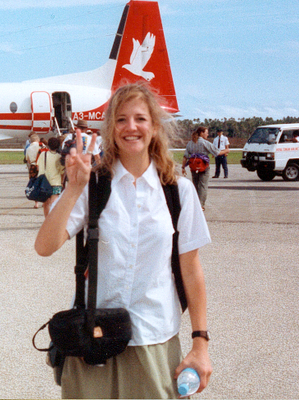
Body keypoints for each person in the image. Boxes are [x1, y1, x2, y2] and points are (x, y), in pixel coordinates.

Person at [35, 84, 212, 398]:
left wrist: (200, 343)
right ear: (111, 130)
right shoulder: (94, 185)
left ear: (154, 127)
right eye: (121, 120)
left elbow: (191, 269)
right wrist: (74, 189)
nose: (131, 127)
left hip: (154, 337)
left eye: (140, 119)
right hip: (95, 338)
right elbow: (44, 246)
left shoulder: (178, 192)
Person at [182, 127, 226, 210]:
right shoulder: (205, 143)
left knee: (195, 184)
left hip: (194, 167)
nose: (207, 134)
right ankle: (201, 204)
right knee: (203, 185)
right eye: (206, 132)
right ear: (201, 133)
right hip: (203, 167)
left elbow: (185, 156)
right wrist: (226, 151)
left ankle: (194, 203)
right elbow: (217, 152)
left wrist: (183, 167)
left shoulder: (190, 143)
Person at [36, 137, 65, 217]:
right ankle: (53, 220)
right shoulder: (59, 157)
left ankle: (47, 220)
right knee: (54, 203)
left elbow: (38, 167)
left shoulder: (43, 154)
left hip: (44, 182)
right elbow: (61, 171)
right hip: (55, 182)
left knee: (46, 204)